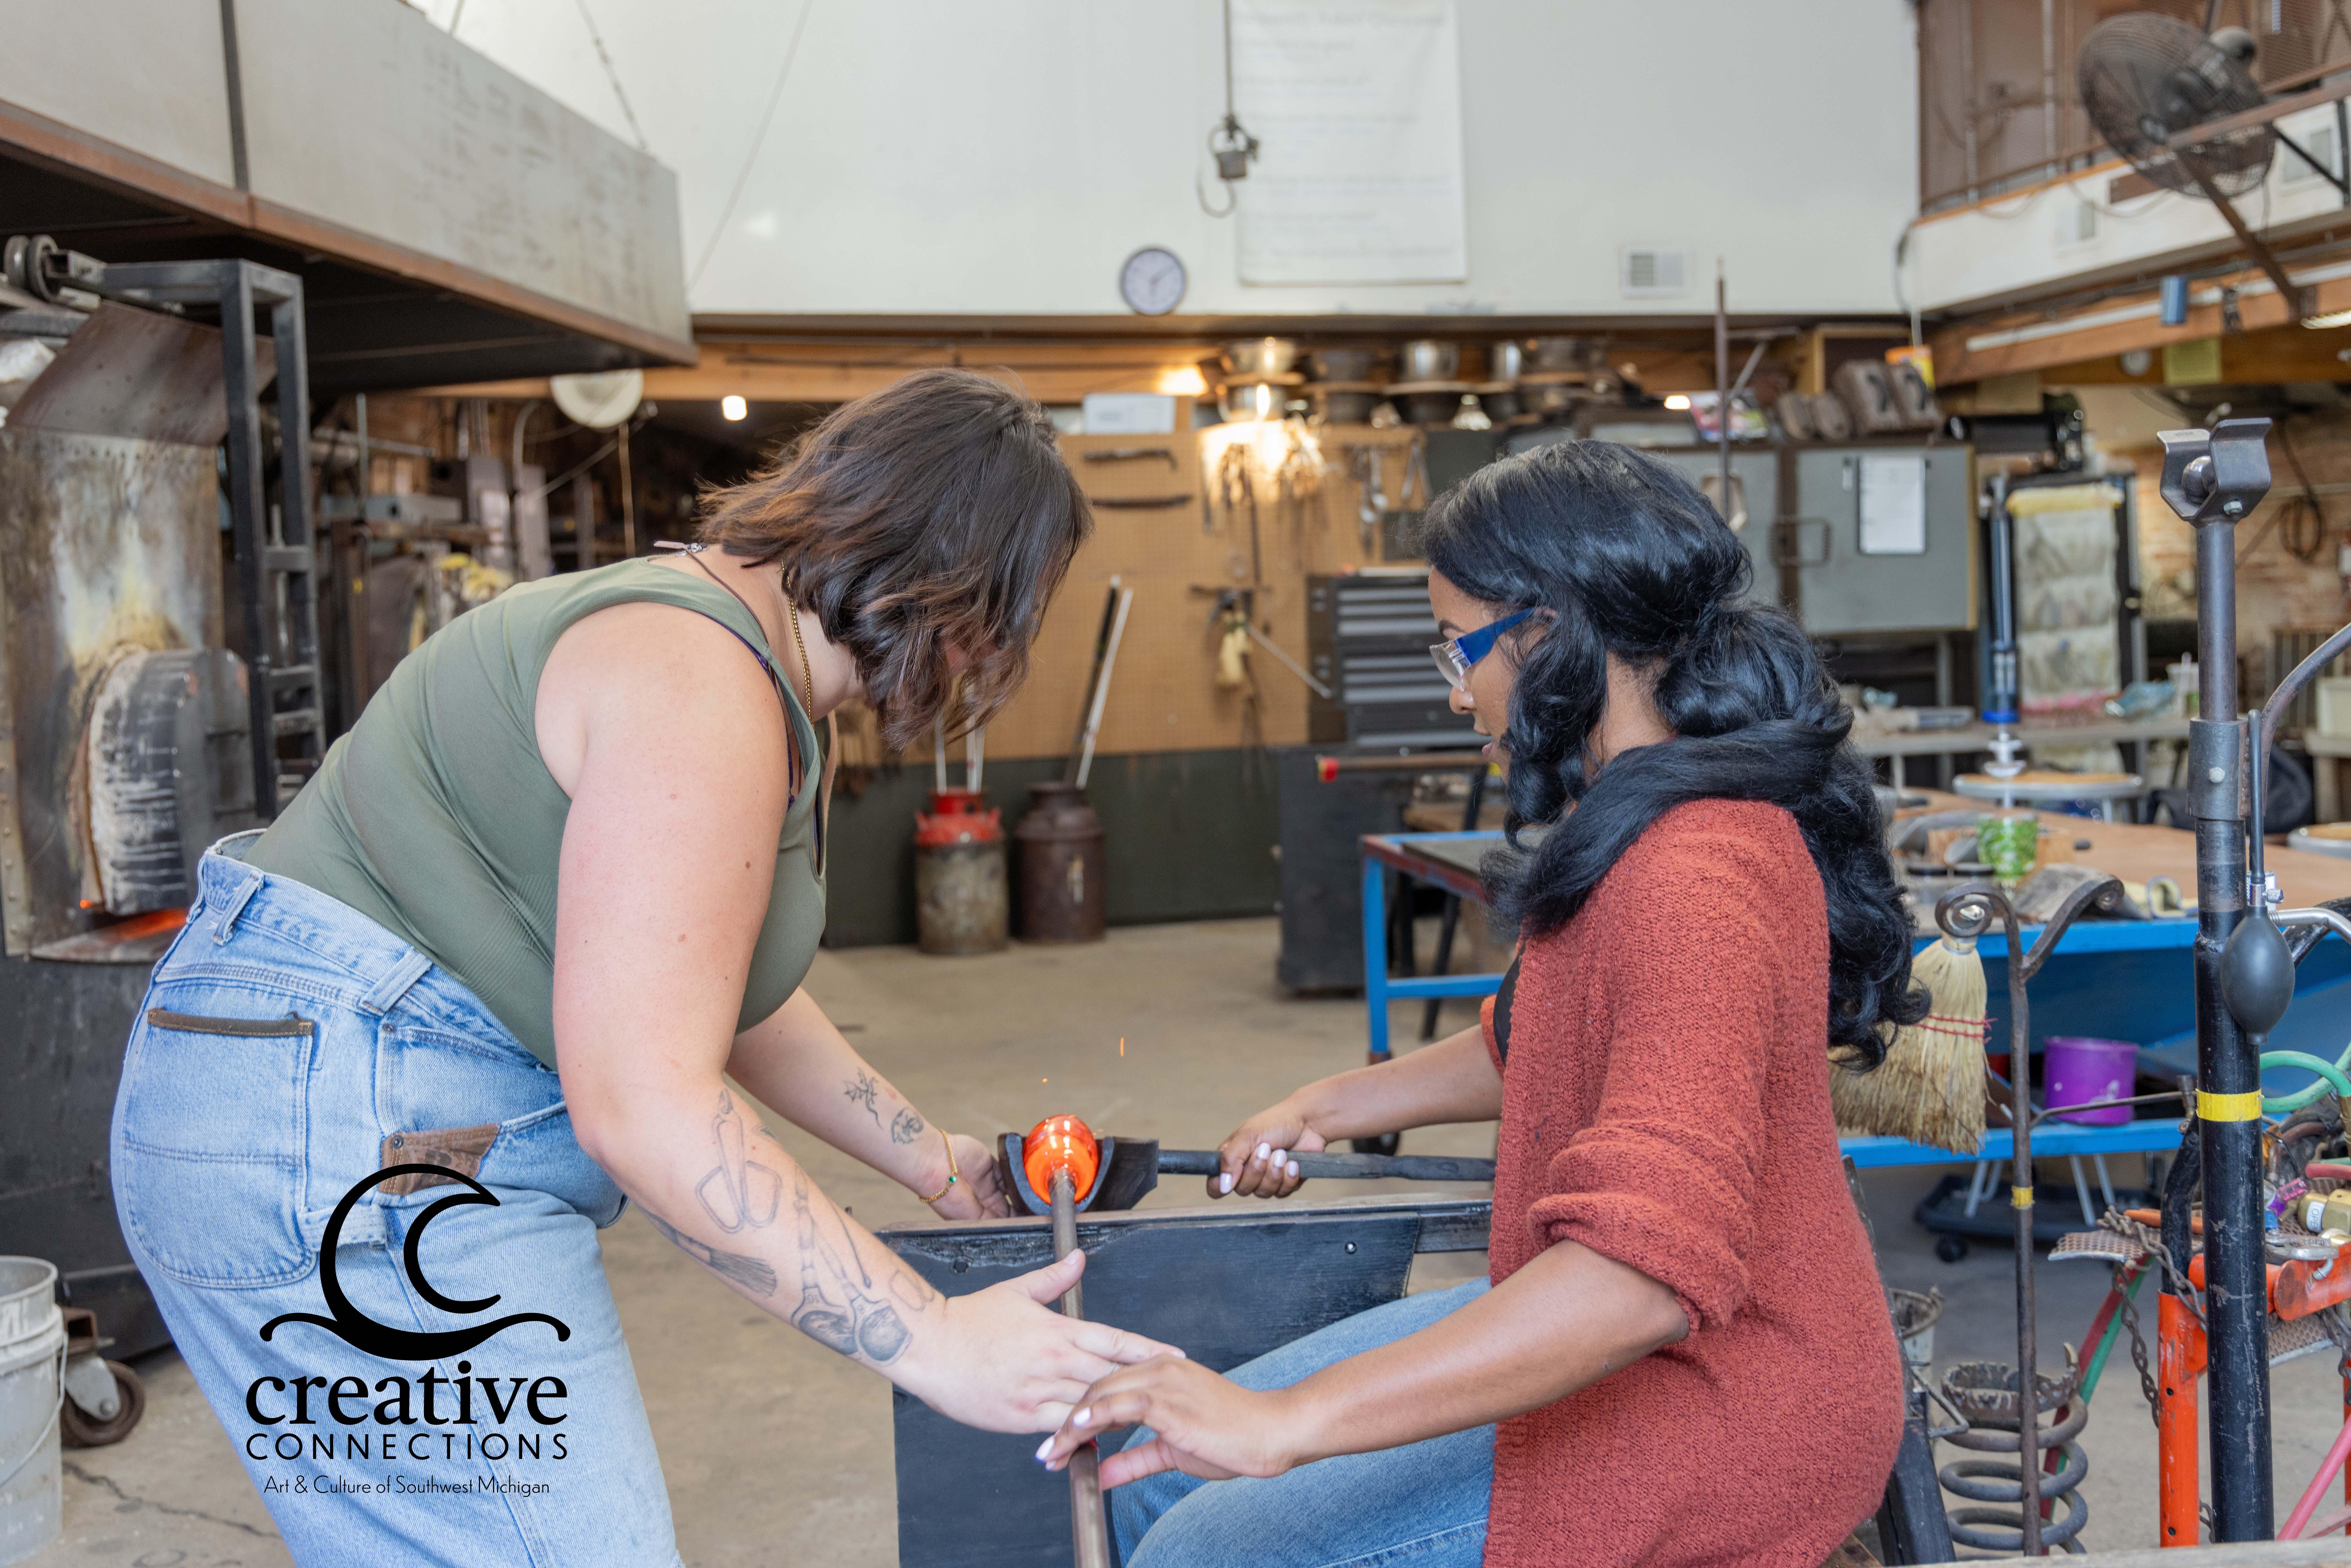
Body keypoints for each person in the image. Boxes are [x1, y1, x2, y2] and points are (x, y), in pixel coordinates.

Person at [111, 368, 1175, 1567]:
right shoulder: (701, 687)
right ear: (957, 591)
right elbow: (645, 1106)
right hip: (356, 1138)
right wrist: (931, 1339)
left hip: (334, 1109)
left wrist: (936, 1164)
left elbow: (700, 988)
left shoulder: (735, 661)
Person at [1039, 439, 1927, 1567]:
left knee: (1195, 1548)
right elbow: (1533, 1045)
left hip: (1734, 1395)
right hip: (1655, 1342)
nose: (1453, 685)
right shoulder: (1639, 818)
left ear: (1548, 637)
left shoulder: (1694, 879)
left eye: (1457, 645)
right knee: (1145, 1481)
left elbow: (1639, 1280)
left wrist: (1290, 1425)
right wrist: (1328, 1103)